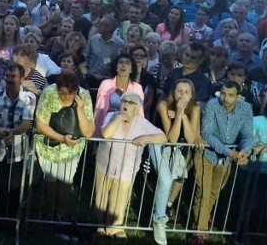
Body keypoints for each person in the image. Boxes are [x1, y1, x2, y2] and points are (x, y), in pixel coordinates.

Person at [94, 91, 167, 239]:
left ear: (137, 107)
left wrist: (146, 137)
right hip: (105, 164)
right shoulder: (111, 116)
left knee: (120, 199)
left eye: (130, 102)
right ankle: (100, 224)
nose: (126, 104)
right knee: (101, 198)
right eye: (124, 101)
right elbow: (106, 134)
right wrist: (119, 118)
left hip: (127, 168)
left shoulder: (142, 123)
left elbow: (163, 137)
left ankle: (116, 226)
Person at [191, 81, 254, 244]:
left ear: (239, 97)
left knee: (213, 193)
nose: (225, 98)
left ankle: (200, 225)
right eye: (223, 93)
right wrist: (229, 152)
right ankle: (200, 232)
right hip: (206, 153)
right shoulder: (212, 104)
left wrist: (245, 151)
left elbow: (247, 135)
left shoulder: (246, 109)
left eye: (230, 95)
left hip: (226, 159)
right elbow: (207, 134)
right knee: (203, 192)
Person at [34, 73, 94, 222]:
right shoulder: (48, 93)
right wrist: (62, 139)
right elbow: (40, 124)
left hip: (71, 151)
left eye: (69, 94)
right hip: (48, 148)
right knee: (50, 181)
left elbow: (88, 131)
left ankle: (60, 213)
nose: (65, 96)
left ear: (76, 91)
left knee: (65, 182)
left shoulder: (84, 96)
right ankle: (48, 212)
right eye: (61, 93)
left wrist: (79, 109)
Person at [150, 79, 204, 245]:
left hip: (180, 148)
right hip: (158, 142)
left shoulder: (194, 108)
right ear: (173, 93)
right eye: (179, 91)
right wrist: (178, 115)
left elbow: (190, 138)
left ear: (192, 95)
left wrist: (182, 117)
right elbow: (171, 138)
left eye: (187, 92)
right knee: (166, 180)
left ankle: (163, 206)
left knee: (178, 177)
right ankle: (159, 220)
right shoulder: (163, 105)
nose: (182, 95)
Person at [0, 62, 37, 218]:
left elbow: (26, 124)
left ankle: (11, 219)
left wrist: (11, 132)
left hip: (18, 150)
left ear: (21, 78)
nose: (9, 79)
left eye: (13, 76)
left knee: (13, 187)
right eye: (7, 76)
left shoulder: (29, 97)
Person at [94, 53, 145, 137]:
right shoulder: (105, 84)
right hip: (108, 124)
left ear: (131, 69)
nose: (123, 65)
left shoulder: (137, 88)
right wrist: (98, 134)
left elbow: (140, 112)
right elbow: (99, 110)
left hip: (129, 126)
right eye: (121, 62)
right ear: (116, 67)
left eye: (127, 63)